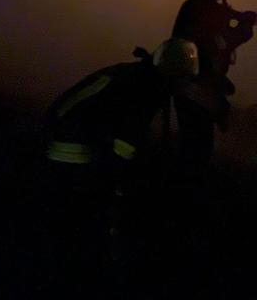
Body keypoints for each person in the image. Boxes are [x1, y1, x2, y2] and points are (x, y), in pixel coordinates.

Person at [41, 38, 199, 294]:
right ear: (172, 74)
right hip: (76, 159)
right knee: (89, 229)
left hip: (68, 151)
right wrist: (119, 187)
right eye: (182, 79)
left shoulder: (131, 75)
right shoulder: (146, 89)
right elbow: (124, 144)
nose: (184, 85)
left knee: (76, 226)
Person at [171, 0, 257, 181]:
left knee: (196, 150)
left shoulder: (196, 9)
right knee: (196, 152)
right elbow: (216, 45)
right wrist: (242, 31)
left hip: (197, 90)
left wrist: (238, 20)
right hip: (195, 91)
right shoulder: (196, 11)